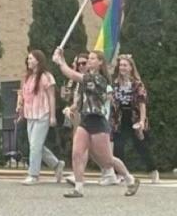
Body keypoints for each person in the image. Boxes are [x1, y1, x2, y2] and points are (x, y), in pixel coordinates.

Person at [53, 48, 140, 198]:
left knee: (107, 159)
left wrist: (61, 62)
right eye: (89, 58)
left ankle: (130, 179)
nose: (90, 61)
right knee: (77, 153)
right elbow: (80, 97)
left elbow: (73, 75)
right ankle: (78, 188)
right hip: (86, 120)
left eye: (93, 58)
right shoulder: (87, 78)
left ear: (100, 63)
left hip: (98, 121)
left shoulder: (99, 79)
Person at [16, 50, 64, 185]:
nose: (28, 61)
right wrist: (20, 112)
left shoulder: (46, 76)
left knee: (35, 145)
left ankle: (33, 174)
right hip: (30, 115)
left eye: (31, 59)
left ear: (38, 60)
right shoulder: (27, 77)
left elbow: (51, 96)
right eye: (28, 59)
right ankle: (56, 164)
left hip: (42, 113)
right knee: (36, 145)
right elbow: (23, 95)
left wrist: (52, 116)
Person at [111, 54, 160, 184]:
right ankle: (120, 174)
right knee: (118, 145)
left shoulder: (137, 84)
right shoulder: (115, 83)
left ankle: (153, 170)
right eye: (121, 65)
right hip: (119, 117)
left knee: (140, 145)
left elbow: (142, 103)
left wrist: (142, 121)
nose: (122, 68)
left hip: (134, 117)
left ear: (131, 67)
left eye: (125, 65)